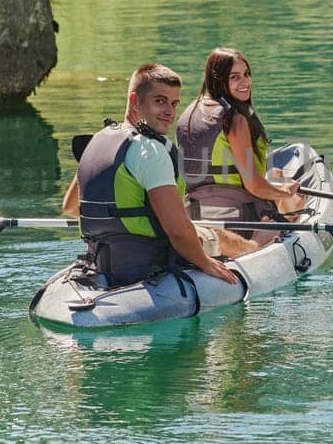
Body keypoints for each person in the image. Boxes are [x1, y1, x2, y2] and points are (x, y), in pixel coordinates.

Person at [60, 63, 252, 288]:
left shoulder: (98, 142)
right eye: (159, 101)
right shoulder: (150, 150)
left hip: (104, 259)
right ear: (134, 101)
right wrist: (207, 264)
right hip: (151, 258)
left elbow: (72, 207)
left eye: (174, 103)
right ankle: (258, 251)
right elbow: (177, 232)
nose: (170, 111)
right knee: (224, 239)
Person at [177, 48, 304, 240]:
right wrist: (286, 193)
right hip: (243, 217)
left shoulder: (189, 112)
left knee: (276, 174)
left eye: (246, 75)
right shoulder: (234, 119)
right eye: (234, 77)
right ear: (219, 79)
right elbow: (254, 186)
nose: (245, 83)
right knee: (294, 198)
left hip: (197, 213)